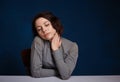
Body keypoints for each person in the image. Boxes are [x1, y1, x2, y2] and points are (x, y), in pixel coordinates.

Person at [30, 11, 78, 80]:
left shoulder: (72, 47)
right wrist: (61, 72)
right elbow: (35, 72)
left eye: (46, 25)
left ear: (54, 24)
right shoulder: (38, 41)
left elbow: (65, 76)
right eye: (39, 29)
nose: (44, 30)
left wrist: (55, 49)